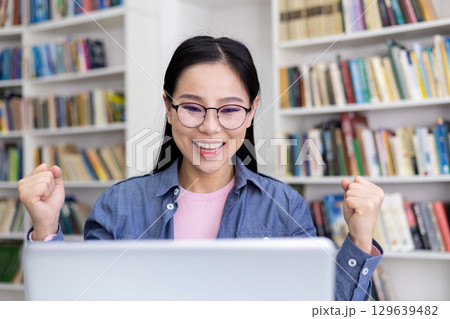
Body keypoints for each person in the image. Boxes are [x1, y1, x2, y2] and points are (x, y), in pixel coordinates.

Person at [18, 35, 384, 301]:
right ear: (168, 106)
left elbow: (326, 309)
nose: (210, 127)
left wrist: (359, 239)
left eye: (229, 109)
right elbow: (78, 304)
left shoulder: (285, 207)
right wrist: (47, 228)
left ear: (252, 110)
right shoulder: (119, 205)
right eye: (192, 107)